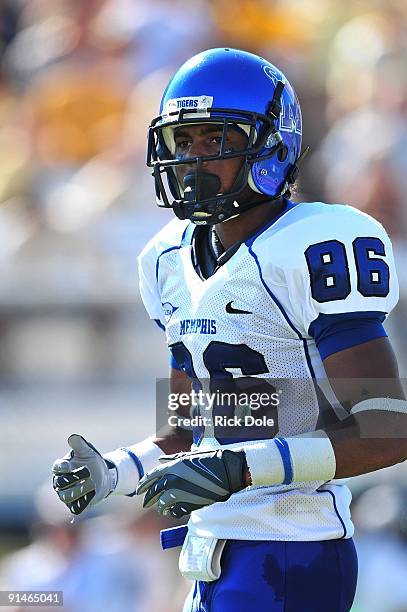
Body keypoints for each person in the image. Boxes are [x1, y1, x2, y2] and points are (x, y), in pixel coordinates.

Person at [52, 48, 407, 612]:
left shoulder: (315, 244)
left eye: (215, 140)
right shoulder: (166, 259)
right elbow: (197, 431)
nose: (194, 160)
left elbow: (387, 428)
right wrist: (113, 469)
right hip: (213, 548)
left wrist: (242, 468)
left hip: (294, 550)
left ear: (272, 142)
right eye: (184, 141)